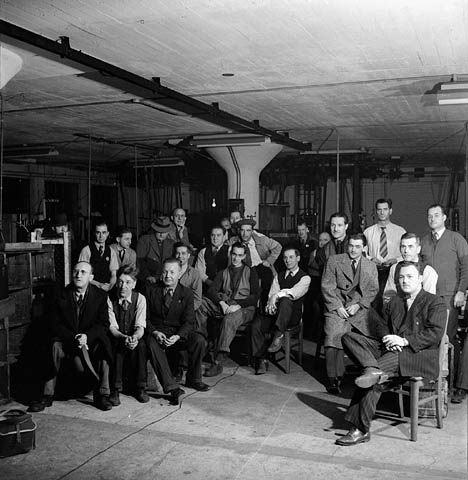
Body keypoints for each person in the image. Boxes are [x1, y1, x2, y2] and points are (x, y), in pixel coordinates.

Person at [335, 262, 446, 446]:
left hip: (415, 355)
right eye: (401, 277)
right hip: (392, 350)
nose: (405, 280)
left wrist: (403, 341)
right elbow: (382, 327)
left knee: (373, 380)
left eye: (410, 276)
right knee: (349, 337)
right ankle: (371, 368)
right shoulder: (394, 302)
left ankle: (360, 429)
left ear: (420, 279)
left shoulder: (434, 302)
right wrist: (387, 337)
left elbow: (434, 334)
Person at [29, 262, 113, 412]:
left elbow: (103, 324)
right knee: (53, 346)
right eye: (76, 271)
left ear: (91, 277)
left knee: (104, 346)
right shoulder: (60, 295)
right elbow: (55, 324)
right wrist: (74, 337)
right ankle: (46, 395)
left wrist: (87, 336)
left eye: (83, 272)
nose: (78, 275)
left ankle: (102, 395)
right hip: (67, 340)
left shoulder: (100, 296)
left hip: (90, 342)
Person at [420, 204, 468, 403]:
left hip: (450, 297)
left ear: (445, 218)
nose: (432, 219)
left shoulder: (456, 239)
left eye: (436, 215)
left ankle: (458, 385)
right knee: (432, 339)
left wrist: (461, 292)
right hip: (429, 299)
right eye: (430, 216)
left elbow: (466, 268)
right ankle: (434, 384)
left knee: (448, 340)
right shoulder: (423, 241)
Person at [321, 233, 379, 394]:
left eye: (358, 246)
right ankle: (335, 378)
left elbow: (373, 290)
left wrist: (359, 305)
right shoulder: (334, 260)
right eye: (351, 246)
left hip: (359, 309)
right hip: (337, 307)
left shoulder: (370, 266)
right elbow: (327, 286)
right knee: (333, 333)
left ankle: (370, 370)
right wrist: (337, 306)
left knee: (376, 330)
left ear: (364, 248)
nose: (353, 250)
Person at [144, 258, 210, 394]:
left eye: (172, 272)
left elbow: (189, 321)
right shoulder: (151, 290)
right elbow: (145, 318)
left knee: (198, 340)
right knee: (150, 343)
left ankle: (194, 379)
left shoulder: (186, 293)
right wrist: (155, 332)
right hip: (158, 333)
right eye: (165, 272)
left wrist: (178, 336)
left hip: (177, 333)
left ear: (179, 274)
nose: (168, 276)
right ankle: (171, 386)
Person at [202, 242, 260, 377]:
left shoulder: (251, 272)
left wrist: (239, 305)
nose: (236, 258)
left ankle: (218, 361)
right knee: (202, 303)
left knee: (229, 320)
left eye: (240, 255)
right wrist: (222, 303)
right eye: (234, 254)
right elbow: (211, 291)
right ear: (230, 254)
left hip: (245, 308)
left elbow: (255, 296)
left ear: (244, 256)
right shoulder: (223, 272)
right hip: (227, 304)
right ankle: (202, 343)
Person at [251, 247, 310, 374]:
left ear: (298, 258)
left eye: (291, 257)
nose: (287, 260)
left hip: (292, 316)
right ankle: (261, 359)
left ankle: (278, 335)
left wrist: (276, 296)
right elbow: (270, 296)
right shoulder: (279, 276)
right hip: (276, 313)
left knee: (285, 300)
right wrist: (269, 306)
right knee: (256, 325)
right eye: (285, 258)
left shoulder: (305, 278)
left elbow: (294, 293)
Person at [108, 265, 148, 405]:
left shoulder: (140, 299)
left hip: (133, 336)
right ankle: (115, 389)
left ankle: (140, 387)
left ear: (134, 284)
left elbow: (140, 326)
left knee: (141, 346)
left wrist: (134, 338)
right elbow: (112, 327)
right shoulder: (110, 298)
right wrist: (124, 338)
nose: (123, 286)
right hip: (118, 336)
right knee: (115, 346)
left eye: (128, 282)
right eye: (120, 282)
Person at [228, 218, 282, 308]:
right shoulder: (234, 241)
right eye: (242, 230)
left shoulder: (262, 239)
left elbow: (278, 247)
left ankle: (265, 307)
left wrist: (269, 261)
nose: (245, 234)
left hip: (260, 267)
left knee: (266, 275)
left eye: (248, 230)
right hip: (244, 269)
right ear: (239, 231)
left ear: (252, 231)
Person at [363, 198, 406, 299]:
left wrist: (396, 260)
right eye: (379, 209)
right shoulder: (368, 232)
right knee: (375, 301)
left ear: (390, 211)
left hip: (394, 272)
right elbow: (362, 253)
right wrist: (371, 259)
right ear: (376, 211)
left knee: (392, 301)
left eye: (385, 209)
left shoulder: (400, 232)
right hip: (374, 273)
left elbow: (407, 253)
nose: (382, 212)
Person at [383, 232, 438, 301]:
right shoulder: (394, 268)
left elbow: (429, 301)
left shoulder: (428, 271)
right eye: (403, 246)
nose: (406, 251)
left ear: (418, 249)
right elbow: (388, 296)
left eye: (410, 246)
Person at [78, 221, 118, 292]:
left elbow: (113, 275)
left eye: (104, 232)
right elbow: (82, 275)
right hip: (90, 289)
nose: (101, 236)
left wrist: (110, 285)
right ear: (94, 233)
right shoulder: (86, 250)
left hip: (106, 289)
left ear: (108, 234)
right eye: (98, 232)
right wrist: (99, 285)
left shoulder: (111, 251)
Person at [136, 216, 175, 284]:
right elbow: (139, 261)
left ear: (168, 231)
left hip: (165, 278)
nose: (161, 234)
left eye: (164, 232)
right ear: (154, 230)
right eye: (159, 231)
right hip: (148, 279)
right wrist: (147, 276)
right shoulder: (144, 240)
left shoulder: (171, 243)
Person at [195, 226, 230, 293]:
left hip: (224, 287)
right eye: (213, 235)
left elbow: (231, 270)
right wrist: (210, 283)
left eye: (218, 235)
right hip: (207, 287)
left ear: (224, 236)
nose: (215, 238)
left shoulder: (230, 250)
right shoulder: (203, 251)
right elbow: (199, 272)